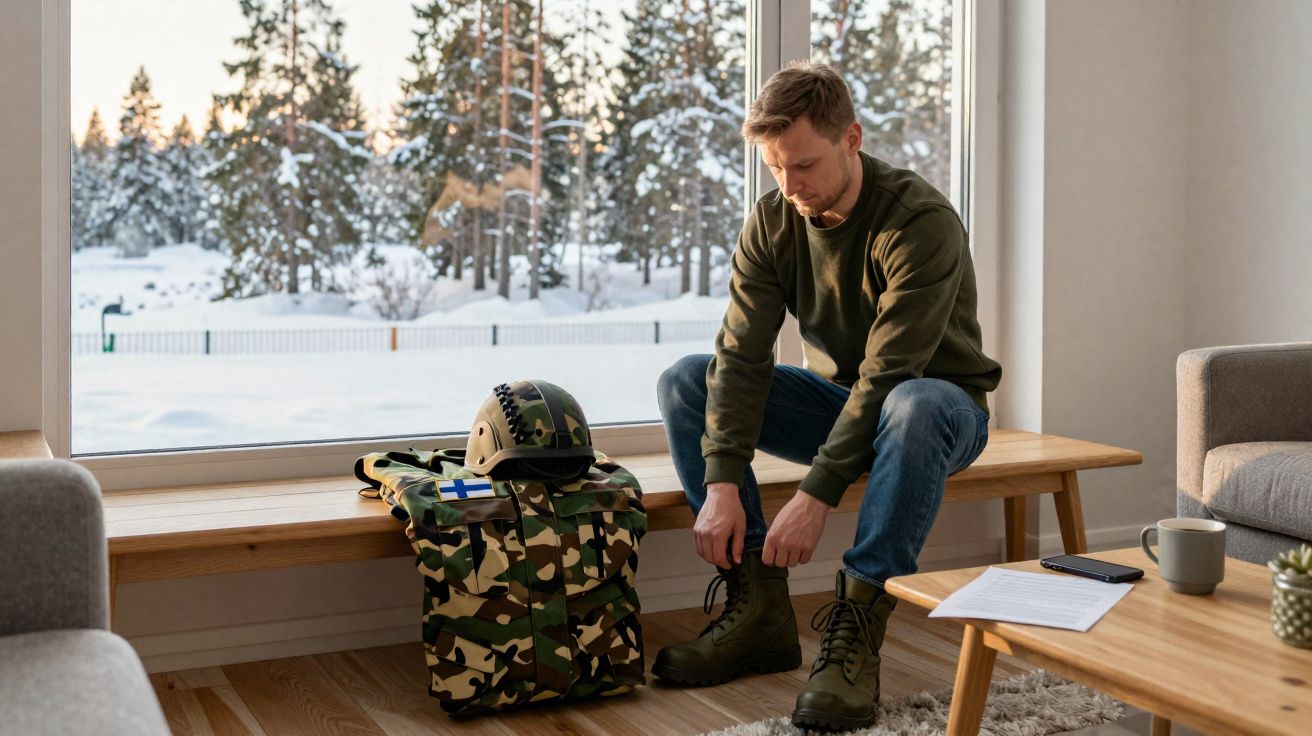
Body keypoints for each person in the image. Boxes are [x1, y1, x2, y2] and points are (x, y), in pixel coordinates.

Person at [652, 61, 1002, 732]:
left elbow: (891, 374)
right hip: (841, 405)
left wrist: (815, 495)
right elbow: (742, 355)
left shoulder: (919, 221)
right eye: (776, 168)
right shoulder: (775, 220)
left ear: (852, 139)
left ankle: (858, 627)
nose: (791, 186)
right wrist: (722, 478)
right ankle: (758, 610)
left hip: (938, 411)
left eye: (804, 165)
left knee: (915, 402)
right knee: (687, 380)